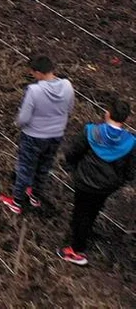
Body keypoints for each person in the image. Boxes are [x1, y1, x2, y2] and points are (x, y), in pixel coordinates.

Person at [58, 99, 134, 266]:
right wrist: (119, 182)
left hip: (85, 181)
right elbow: (131, 170)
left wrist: (73, 168)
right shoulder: (130, 142)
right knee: (94, 209)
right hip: (107, 186)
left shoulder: (91, 132)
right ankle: (86, 231)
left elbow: (73, 152)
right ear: (126, 119)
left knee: (80, 213)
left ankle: (77, 251)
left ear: (107, 113)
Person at [0, 55, 75, 214]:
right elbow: (69, 109)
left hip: (34, 136)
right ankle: (35, 196)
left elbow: (24, 118)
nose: (33, 76)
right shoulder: (67, 86)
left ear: (39, 73)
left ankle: (17, 202)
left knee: (25, 167)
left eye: (33, 73)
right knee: (44, 166)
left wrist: (17, 123)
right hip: (56, 135)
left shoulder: (35, 90)